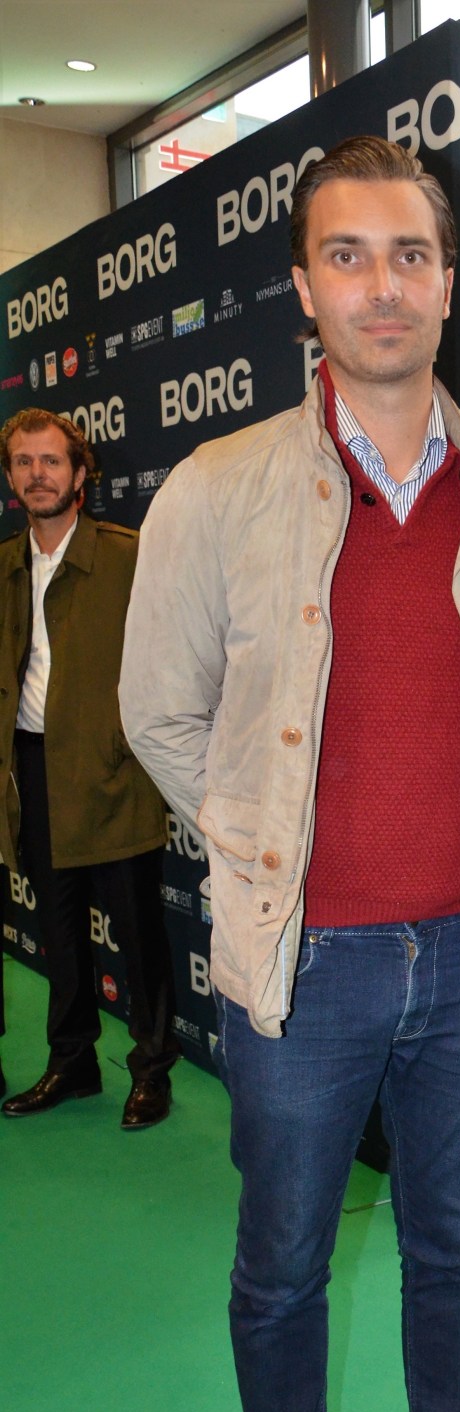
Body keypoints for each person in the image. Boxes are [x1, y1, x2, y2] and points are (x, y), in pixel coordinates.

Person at [120, 136, 460, 1412]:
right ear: (305, 286)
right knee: (282, 1261)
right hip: (300, 963)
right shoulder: (216, 490)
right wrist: (264, 848)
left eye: (411, 254)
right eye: (348, 254)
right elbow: (157, 711)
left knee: (456, 1252)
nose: (383, 285)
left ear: (449, 281)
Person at [0, 409, 176, 1129]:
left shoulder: (129, 557)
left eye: (50, 460)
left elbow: (178, 658)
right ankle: (71, 1061)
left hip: (114, 773)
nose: (36, 474)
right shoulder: (7, 565)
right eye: (22, 462)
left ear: (80, 473)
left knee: (138, 932)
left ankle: (152, 1070)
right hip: (34, 772)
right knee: (61, 932)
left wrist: (127, 741)